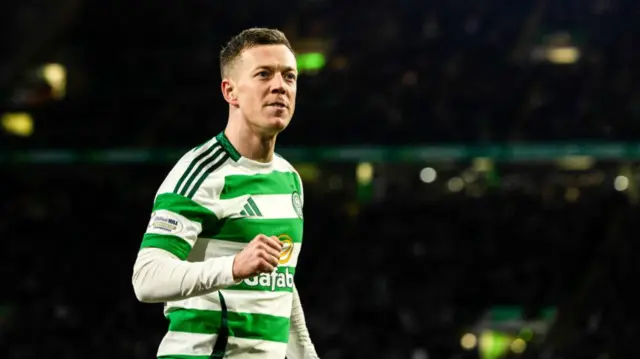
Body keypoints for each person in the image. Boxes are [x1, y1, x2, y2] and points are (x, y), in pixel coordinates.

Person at [131, 28, 319, 359]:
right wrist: (233, 266)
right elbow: (146, 278)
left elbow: (281, 285)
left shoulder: (288, 178)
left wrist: (305, 353)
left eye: (289, 76)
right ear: (230, 91)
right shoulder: (202, 173)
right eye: (264, 74)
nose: (280, 86)